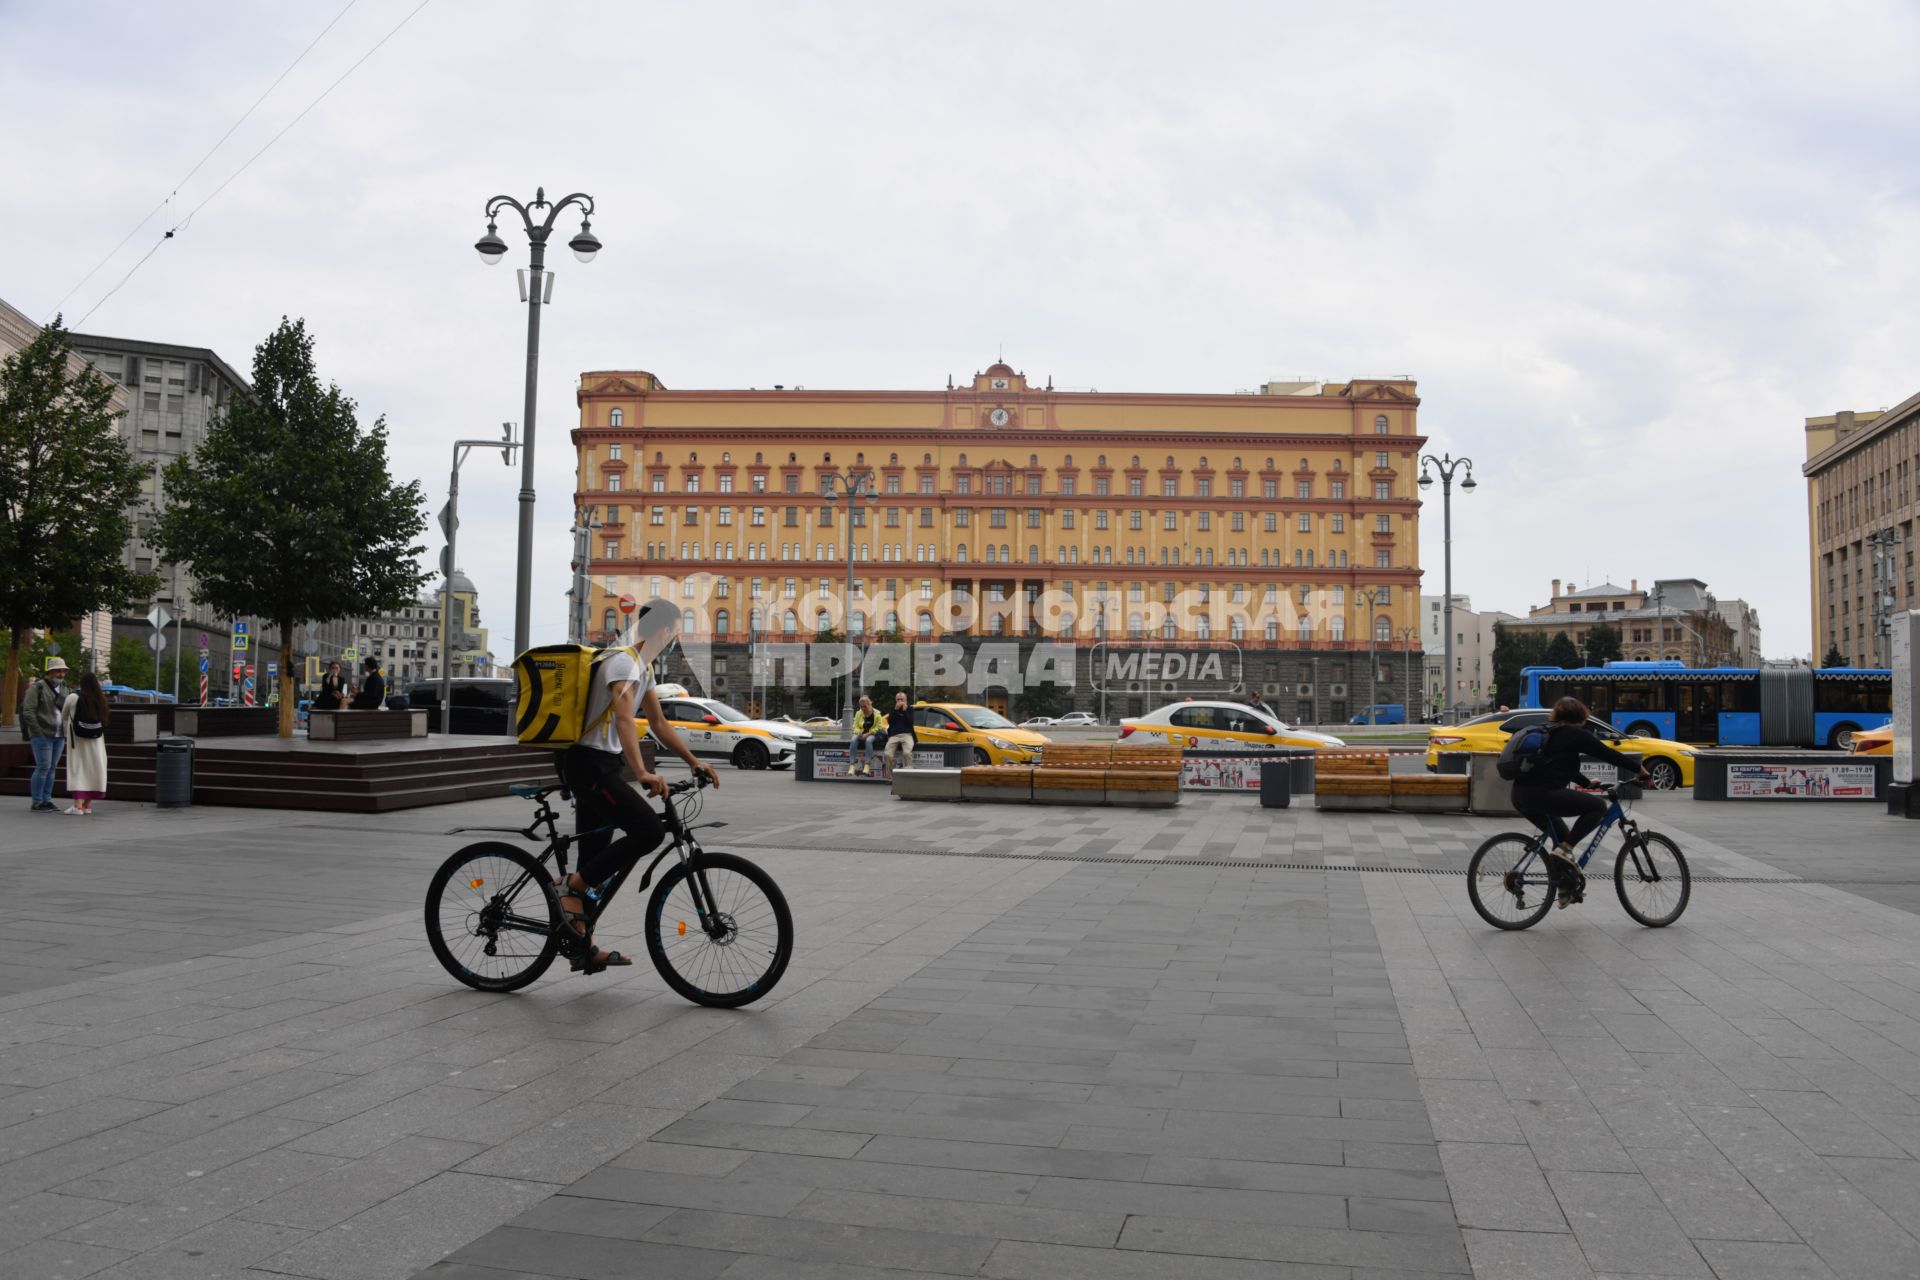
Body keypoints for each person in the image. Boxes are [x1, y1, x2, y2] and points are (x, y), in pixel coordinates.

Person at [556, 640, 718, 974]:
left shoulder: (642, 668)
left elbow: (657, 723)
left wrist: (692, 761)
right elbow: (624, 718)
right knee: (648, 831)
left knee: (594, 863)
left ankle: (580, 948)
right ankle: (570, 886)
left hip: (602, 765)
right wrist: (642, 771)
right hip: (589, 765)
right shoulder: (622, 663)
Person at [1511, 697, 1650, 909]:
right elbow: (1607, 753)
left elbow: (1559, 766)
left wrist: (1586, 782)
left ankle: (1565, 890)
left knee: (1564, 839)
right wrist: (1639, 769)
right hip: (1543, 795)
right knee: (1597, 807)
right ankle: (1565, 850)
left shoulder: (1552, 733)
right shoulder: (1575, 734)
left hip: (1520, 795)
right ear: (1582, 717)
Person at [22, 657, 69, 812]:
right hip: (43, 734)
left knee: (52, 768)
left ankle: (47, 800)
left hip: (59, 735)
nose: (61, 674)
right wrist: (37, 731)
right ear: (49, 672)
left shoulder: (64, 688)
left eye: (63, 671)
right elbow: (28, 711)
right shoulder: (37, 688)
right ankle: (37, 801)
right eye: (58, 671)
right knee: (43, 767)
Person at [61, 670, 110, 815]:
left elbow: (64, 715)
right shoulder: (101, 700)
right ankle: (87, 805)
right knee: (94, 768)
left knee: (78, 767)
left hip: (77, 740)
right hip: (97, 740)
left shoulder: (73, 697)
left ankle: (77, 806)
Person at [882, 690, 916, 773]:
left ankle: (909, 774)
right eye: (898, 699)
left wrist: (904, 711)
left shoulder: (910, 709)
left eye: (902, 699)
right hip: (894, 735)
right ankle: (892, 776)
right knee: (887, 754)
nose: (900, 701)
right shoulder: (893, 709)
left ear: (905, 701)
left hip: (907, 735)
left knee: (907, 753)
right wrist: (895, 710)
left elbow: (910, 722)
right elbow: (890, 722)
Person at [850, 695, 884, 776]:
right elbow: (855, 726)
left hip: (872, 734)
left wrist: (868, 734)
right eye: (861, 707)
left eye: (865, 706)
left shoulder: (877, 714)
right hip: (861, 733)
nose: (863, 709)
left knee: (868, 741)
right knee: (853, 739)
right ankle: (852, 764)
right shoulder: (858, 713)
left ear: (870, 704)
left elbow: (879, 727)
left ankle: (867, 764)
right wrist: (859, 733)